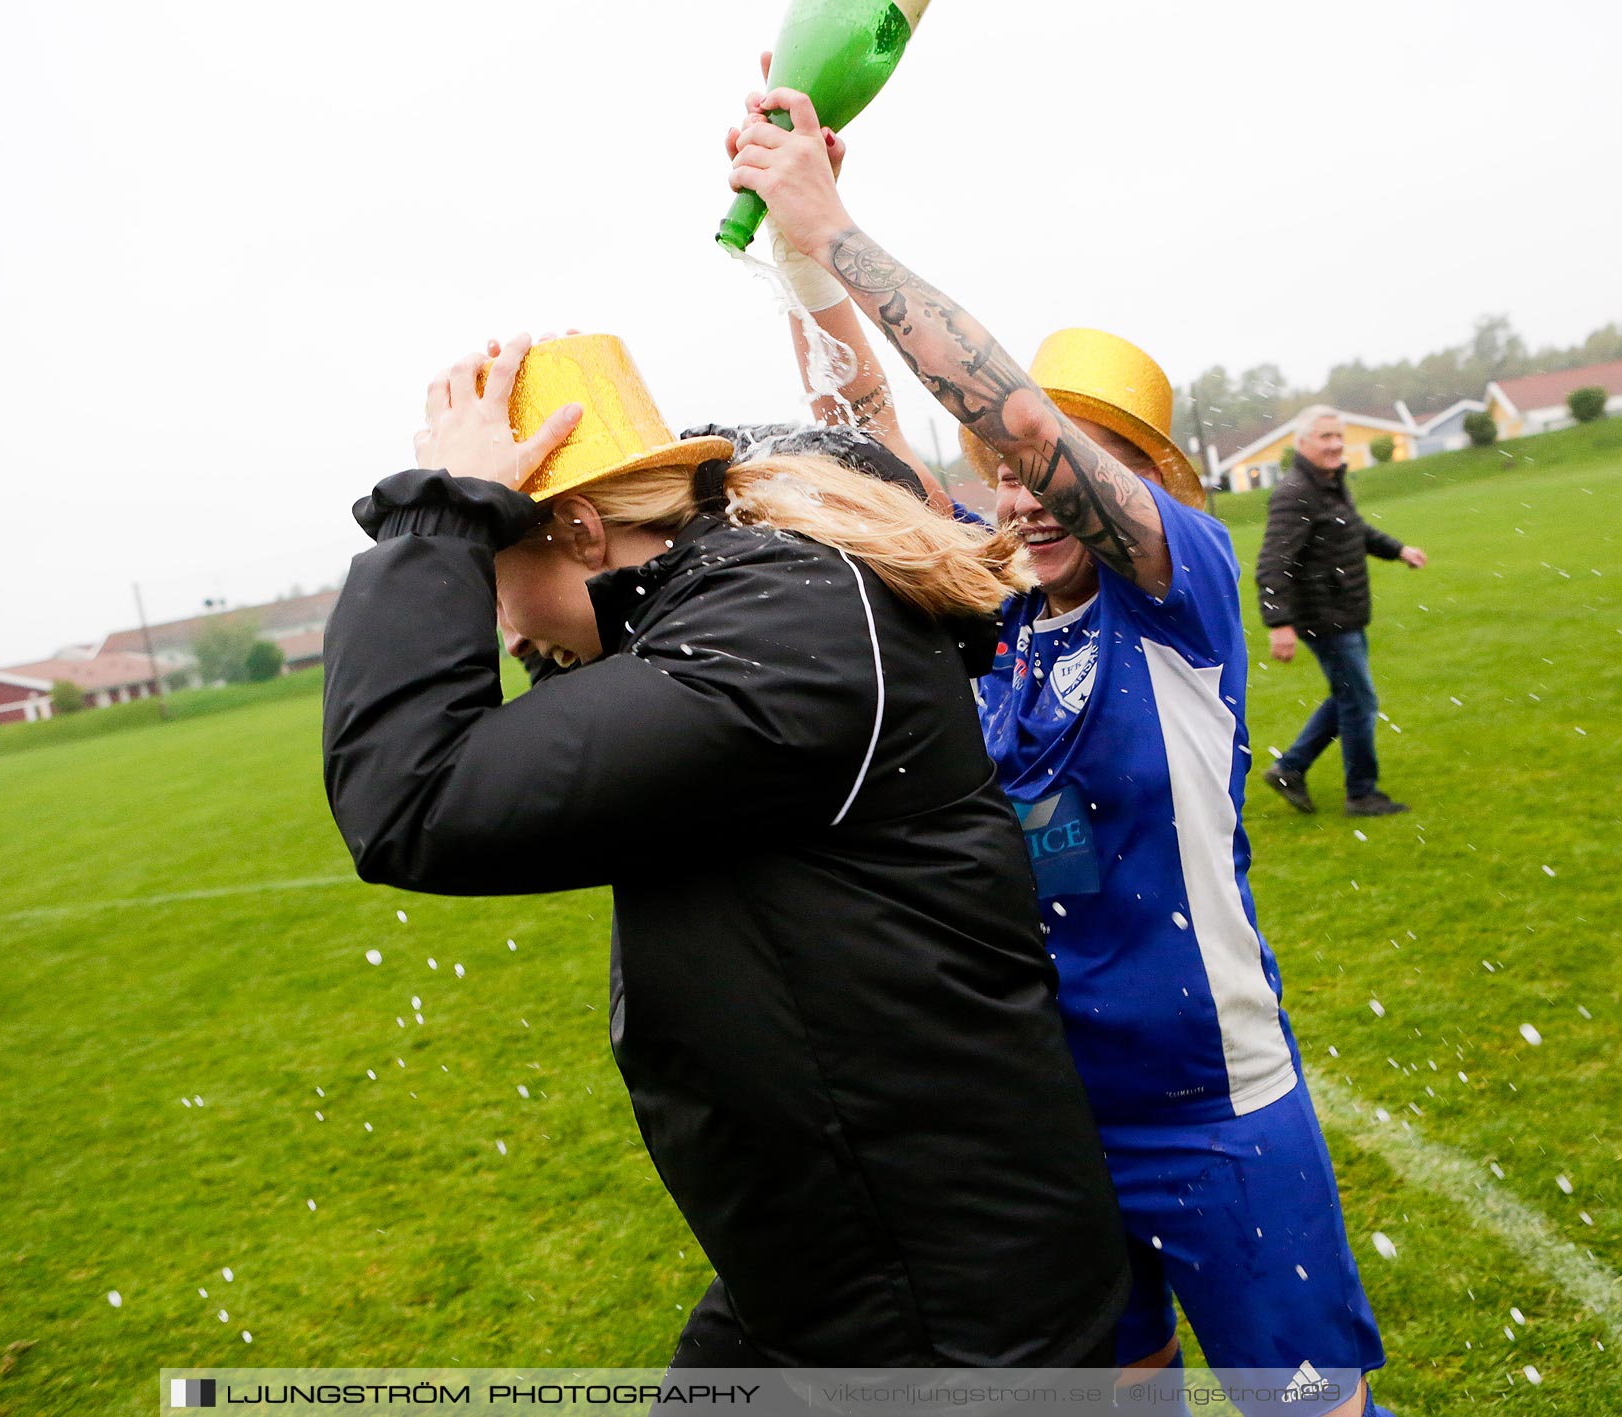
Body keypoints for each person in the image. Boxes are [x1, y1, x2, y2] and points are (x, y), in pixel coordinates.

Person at [736, 89, 1394, 1415]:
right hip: (1046, 1128)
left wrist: (847, 231)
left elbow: (1029, 423)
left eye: (1052, 459)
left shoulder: (1182, 587)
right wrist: (796, 247)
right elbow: (866, 440)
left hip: (1217, 1108)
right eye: (999, 465)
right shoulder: (995, 611)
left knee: (1305, 1414)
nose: (1022, 485)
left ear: (1137, 476)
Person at [322, 332, 1130, 1368]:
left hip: (950, 1315)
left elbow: (411, 796)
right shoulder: (736, 605)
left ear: (575, 526)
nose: (502, 634)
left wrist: (435, 515)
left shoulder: (779, 635)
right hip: (847, 1265)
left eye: (489, 568)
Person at [1254, 409, 1427, 817]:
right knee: (1361, 701)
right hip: (1323, 614)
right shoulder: (1295, 492)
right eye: (1324, 437)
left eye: (1338, 436)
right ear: (1303, 444)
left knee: (1349, 696)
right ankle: (1362, 794)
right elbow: (1273, 562)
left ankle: (1290, 768)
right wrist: (1279, 622)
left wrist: (1398, 550)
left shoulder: (1328, 485)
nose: (1334, 444)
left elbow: (1354, 530)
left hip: (1344, 610)